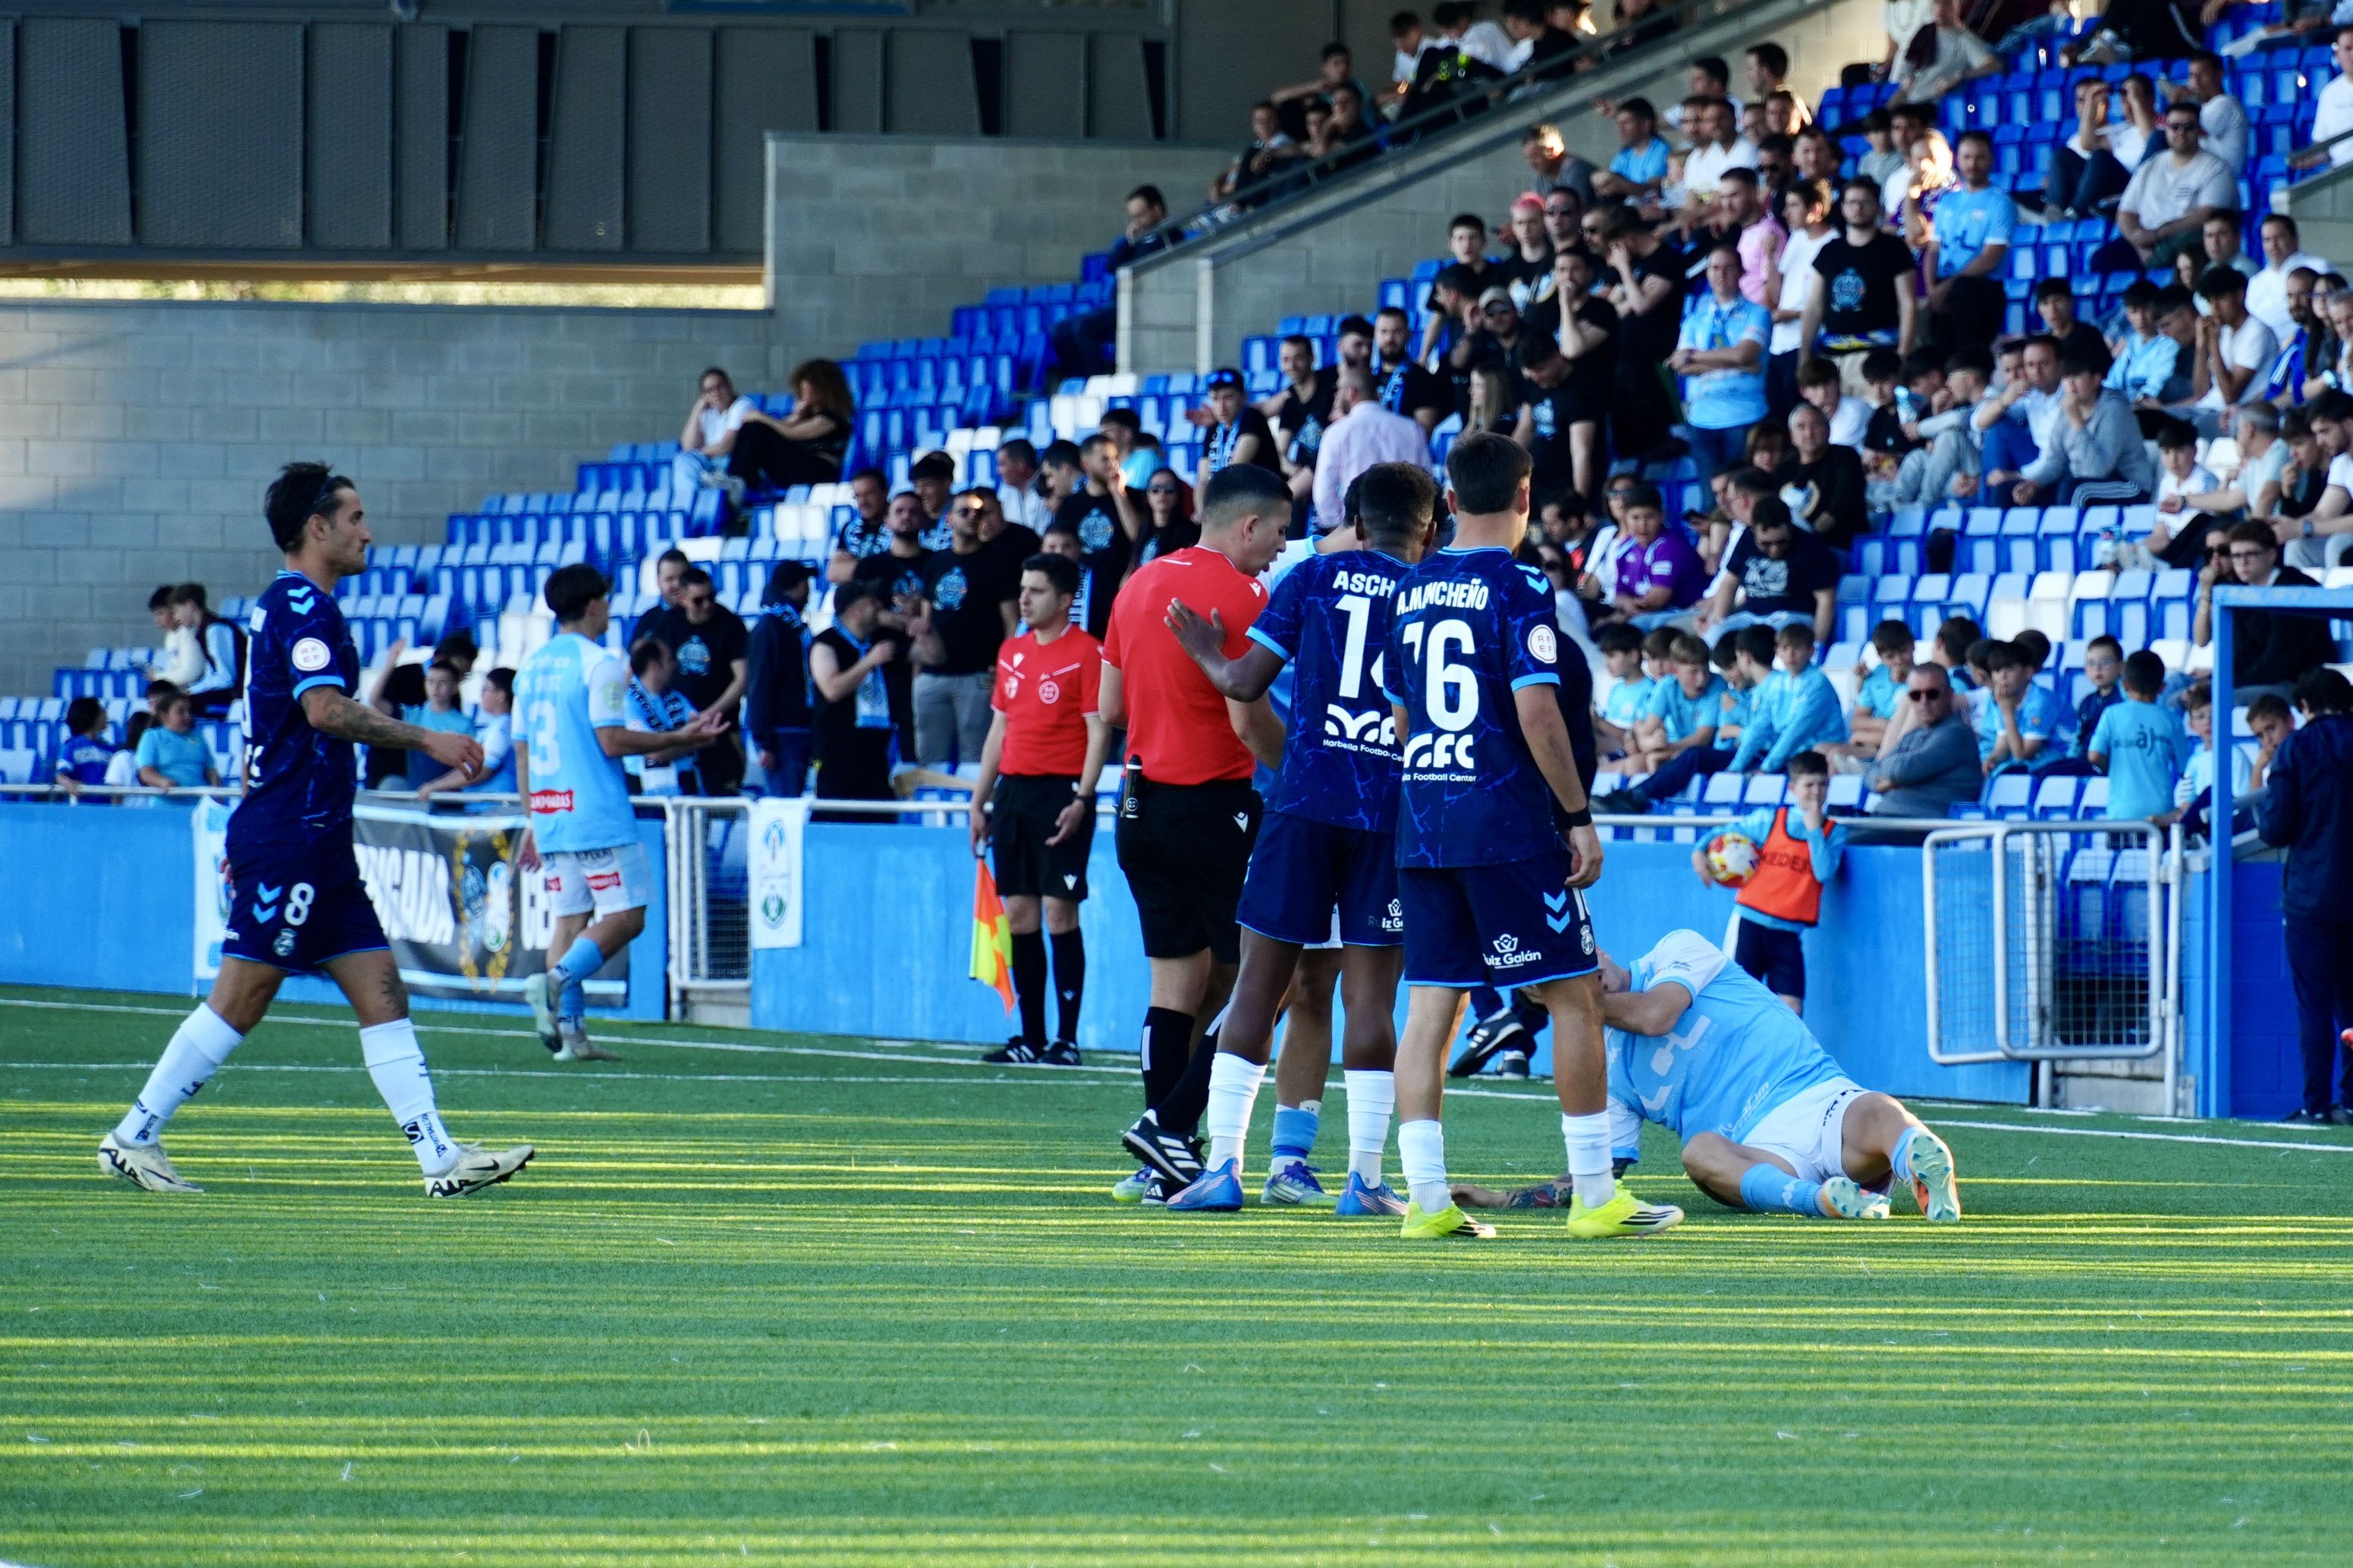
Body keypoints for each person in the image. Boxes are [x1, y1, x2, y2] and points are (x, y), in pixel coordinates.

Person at [98, 462, 529, 1200]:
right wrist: (427, 738)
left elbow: (270, 729)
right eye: (355, 517)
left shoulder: (292, 606)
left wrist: (251, 823)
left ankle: (440, 1159)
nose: (369, 531)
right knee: (244, 994)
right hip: (292, 834)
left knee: (382, 989)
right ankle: (134, 1135)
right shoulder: (302, 604)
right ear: (317, 528)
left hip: (311, 837)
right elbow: (324, 711)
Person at [1381, 430, 1682, 1243]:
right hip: (1506, 823)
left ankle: (1428, 1200)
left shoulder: (1409, 587)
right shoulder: (1518, 583)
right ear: (1524, 497)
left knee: (1432, 1005)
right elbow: (1539, 710)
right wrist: (1577, 816)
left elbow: (1403, 715)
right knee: (1575, 993)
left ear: (1449, 501)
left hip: (1424, 823)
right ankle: (1596, 1195)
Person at [1156, 463, 1443, 1216]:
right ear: (1430, 532)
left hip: (1304, 804)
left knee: (1259, 983)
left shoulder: (1312, 577)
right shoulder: (1432, 594)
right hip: (1388, 815)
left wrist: (1207, 652)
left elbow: (1244, 683)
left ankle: (1222, 1168)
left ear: (1356, 520)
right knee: (1372, 999)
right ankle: (1365, 1180)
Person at [1466, 928, 1960, 1220]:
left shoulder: (1676, 949)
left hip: (1815, 1096)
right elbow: (1597, 1174)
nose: (1582, 978)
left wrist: (1576, 1005)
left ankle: (1924, 1166)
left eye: (1580, 962)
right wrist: (1500, 1199)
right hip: (1758, 1153)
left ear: (1597, 947)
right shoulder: (1599, 1065)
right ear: (1544, 1000)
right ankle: (1824, 1201)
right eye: (1559, 982)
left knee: (1876, 1109)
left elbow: (1656, 1015)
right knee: (1698, 1154)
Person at [1101, 465, 1290, 1196]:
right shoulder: (1243, 594)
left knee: (1175, 983)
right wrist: (1300, 767)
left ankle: (1162, 1162)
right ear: (1249, 524)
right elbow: (1247, 717)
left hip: (1139, 805)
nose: (1280, 549)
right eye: (1278, 532)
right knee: (1265, 978)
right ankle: (1171, 1125)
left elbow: (1111, 707)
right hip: (1212, 807)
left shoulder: (1138, 582)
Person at [516, 564, 727, 1061]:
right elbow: (611, 740)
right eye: (607, 599)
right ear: (593, 604)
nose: (610, 608)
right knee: (629, 916)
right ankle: (554, 981)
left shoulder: (531, 668)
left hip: (550, 813)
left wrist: (533, 817)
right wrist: (679, 737)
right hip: (596, 813)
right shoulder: (601, 663)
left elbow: (523, 752)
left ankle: (572, 1038)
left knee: (570, 921)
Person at [966, 552, 1110, 1068]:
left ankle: (1065, 1041)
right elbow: (998, 731)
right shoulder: (1012, 651)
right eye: (1023, 588)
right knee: (1019, 915)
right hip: (1012, 795)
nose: (1024, 599)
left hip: (1060, 794)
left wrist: (1083, 798)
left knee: (1058, 911)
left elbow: (1099, 731)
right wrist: (978, 801)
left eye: (1037, 590)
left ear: (1066, 599)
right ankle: (1030, 1036)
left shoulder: (1089, 653)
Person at [2258, 668, 2353, 1123]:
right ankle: (2352, 1100)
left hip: (2312, 896)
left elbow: (2275, 828)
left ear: (2306, 707)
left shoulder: (2296, 748)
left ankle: (2317, 1105)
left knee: (2314, 1004)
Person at [907, 492, 1018, 770]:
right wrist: (918, 673)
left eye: (978, 512)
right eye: (964, 512)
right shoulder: (935, 562)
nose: (972, 517)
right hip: (933, 676)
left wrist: (1004, 669)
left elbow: (1012, 623)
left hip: (978, 676)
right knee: (930, 762)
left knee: (976, 761)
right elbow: (926, 621)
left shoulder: (998, 561)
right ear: (949, 519)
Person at [634, 567, 749, 795]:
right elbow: (645, 660)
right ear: (682, 598)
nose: (707, 605)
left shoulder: (730, 624)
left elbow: (742, 678)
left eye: (711, 597)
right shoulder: (668, 623)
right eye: (698, 601)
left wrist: (708, 714)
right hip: (679, 731)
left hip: (720, 730)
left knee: (723, 803)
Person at [1800, 178, 1918, 399]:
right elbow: (1814, 307)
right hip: (1832, 360)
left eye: (1865, 202)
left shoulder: (1894, 249)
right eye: (1852, 202)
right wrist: (1804, 355)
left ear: (1877, 207)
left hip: (1877, 358)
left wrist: (1902, 354)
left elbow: (1908, 304)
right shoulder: (1829, 251)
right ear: (1843, 207)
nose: (1858, 208)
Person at [2195, 521, 2336, 700]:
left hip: (2298, 686)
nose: (2242, 562)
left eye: (2250, 554)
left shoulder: (2294, 590)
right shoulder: (2238, 593)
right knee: (2178, 690)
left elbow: (2277, 664)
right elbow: (2239, 655)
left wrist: (2221, 686)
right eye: (2236, 556)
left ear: (2271, 555)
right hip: (2255, 681)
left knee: (2225, 701)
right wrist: (2214, 682)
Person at [2098, 99, 2238, 274]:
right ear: (2166, 129)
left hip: (2184, 237)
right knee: (2101, 259)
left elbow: (2207, 215)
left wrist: (2159, 234)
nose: (2181, 133)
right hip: (2145, 239)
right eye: (2174, 127)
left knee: (2170, 257)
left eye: (2188, 127)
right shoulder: (2150, 165)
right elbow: (2125, 213)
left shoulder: (2216, 168)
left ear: (2199, 130)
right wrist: (2138, 243)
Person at [1674, 244, 1773, 486]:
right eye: (1715, 268)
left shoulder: (1758, 313)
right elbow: (1681, 366)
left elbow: (1744, 354)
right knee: (1712, 500)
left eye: (1729, 268)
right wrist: (1738, 363)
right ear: (1707, 273)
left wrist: (1693, 355)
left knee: (1745, 492)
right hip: (1701, 419)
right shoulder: (1694, 319)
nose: (1721, 274)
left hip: (1745, 415)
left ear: (1741, 272)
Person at [809, 583, 901, 815]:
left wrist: (913, 625)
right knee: (838, 818)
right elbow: (832, 689)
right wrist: (869, 662)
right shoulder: (826, 643)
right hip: (837, 752)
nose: (879, 607)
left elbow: (934, 657)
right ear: (854, 610)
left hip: (875, 752)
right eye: (872, 603)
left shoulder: (879, 641)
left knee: (880, 819)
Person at [1923, 130, 2014, 354]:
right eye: (1967, 157)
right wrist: (1933, 289)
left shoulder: (2000, 203)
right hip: (1945, 286)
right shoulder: (1947, 201)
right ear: (1958, 159)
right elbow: (1933, 250)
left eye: (1979, 157)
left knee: (1969, 356)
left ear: (1991, 159)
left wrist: (1947, 287)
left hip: (1979, 289)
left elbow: (1990, 258)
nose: (1972, 164)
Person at [1701, 495, 1840, 640]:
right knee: (1713, 636)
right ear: (1753, 531)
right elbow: (1730, 582)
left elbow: (1826, 599)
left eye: (1782, 542)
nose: (1774, 549)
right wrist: (1718, 620)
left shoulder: (1811, 547)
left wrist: (1817, 644)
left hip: (1792, 618)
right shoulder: (1747, 539)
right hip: (1750, 617)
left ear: (1790, 528)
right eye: (1766, 544)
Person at [1313, 365, 1430, 536]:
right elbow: (1427, 483)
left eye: (1339, 390)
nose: (1336, 396)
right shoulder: (1412, 429)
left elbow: (1323, 493)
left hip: (1356, 530)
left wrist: (1340, 527)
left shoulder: (1336, 433)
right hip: (1404, 530)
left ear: (1351, 392)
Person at [1054, 434, 1147, 639]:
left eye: (1115, 458)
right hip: (1084, 597)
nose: (1112, 464)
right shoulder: (1070, 505)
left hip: (1122, 588)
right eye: (1105, 459)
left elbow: (1138, 537)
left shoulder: (1133, 496)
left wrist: (1119, 494)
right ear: (1085, 464)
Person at [722, 359, 854, 499]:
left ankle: (739, 482)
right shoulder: (808, 415)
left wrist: (760, 417)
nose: (803, 394)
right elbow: (783, 427)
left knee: (756, 429)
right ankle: (739, 481)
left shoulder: (831, 420)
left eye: (808, 390)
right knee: (752, 430)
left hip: (818, 470)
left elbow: (790, 433)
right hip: (800, 464)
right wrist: (796, 416)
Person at [364, 630, 478, 787]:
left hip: (435, 782)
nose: (436, 688)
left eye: (463, 676)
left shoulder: (460, 714)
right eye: (431, 682)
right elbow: (377, 704)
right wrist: (390, 664)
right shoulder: (403, 676)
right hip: (389, 767)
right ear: (440, 659)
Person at [1866, 663, 1981, 818]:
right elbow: (1871, 771)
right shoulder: (1913, 735)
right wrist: (1885, 781)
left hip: (1927, 824)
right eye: (1916, 695)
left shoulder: (1957, 734)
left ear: (1950, 694)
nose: (1924, 702)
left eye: (1932, 694)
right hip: (1889, 820)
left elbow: (1902, 770)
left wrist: (1891, 775)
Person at [2088, 649, 2190, 821]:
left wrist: (2110, 768)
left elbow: (2094, 756)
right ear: (2162, 687)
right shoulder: (2172, 720)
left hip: (2121, 811)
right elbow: (2185, 769)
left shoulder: (2111, 714)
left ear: (2125, 685)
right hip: (2160, 812)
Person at [744, 562, 815, 797]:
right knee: (785, 803)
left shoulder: (787, 624)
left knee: (792, 800)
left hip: (795, 729)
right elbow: (760, 684)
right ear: (801, 586)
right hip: (782, 733)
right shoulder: (772, 626)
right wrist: (765, 741)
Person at [619, 638, 703, 798]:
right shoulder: (628, 701)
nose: (674, 665)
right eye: (669, 660)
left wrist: (679, 743)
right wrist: (688, 739)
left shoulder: (677, 698)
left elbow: (706, 736)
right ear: (654, 666)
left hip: (685, 787)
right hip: (647, 792)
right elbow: (652, 751)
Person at [416, 668, 516, 799]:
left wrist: (436, 787)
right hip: (483, 807)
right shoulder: (496, 726)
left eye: (486, 689)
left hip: (495, 807)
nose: (482, 694)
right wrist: (434, 785)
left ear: (501, 696)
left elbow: (482, 770)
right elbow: (468, 767)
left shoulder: (503, 728)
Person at [2044, 77, 2133, 221]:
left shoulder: (2124, 130)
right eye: (2082, 100)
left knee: (2100, 156)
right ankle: (2056, 214)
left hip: (2116, 190)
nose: (2087, 105)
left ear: (2105, 102)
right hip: (2082, 194)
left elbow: (2090, 145)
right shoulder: (2073, 141)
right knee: (2060, 155)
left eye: (2092, 98)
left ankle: (2074, 213)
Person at [1975, 639, 2066, 775]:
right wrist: (1991, 760)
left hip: (2065, 762)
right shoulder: (2006, 699)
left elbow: (2022, 755)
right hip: (2039, 764)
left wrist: (2008, 714)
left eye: (2010, 669)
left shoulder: (2041, 701)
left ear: (2028, 673)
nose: (2003, 676)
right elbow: (2003, 747)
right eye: (1997, 670)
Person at [1888, 0, 2001, 105]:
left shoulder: (1964, 40)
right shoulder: (1922, 35)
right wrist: (1889, 111)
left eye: (1947, 4)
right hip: (1910, 105)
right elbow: (1906, 85)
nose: (1941, 9)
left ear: (1956, 7)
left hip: (1934, 106)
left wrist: (1960, 76)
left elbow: (1994, 65)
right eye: (1937, 3)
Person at [673, 366, 757, 499]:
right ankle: (690, 502)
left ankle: (692, 501)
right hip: (712, 466)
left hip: (732, 465)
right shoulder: (708, 412)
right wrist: (697, 409)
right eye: (710, 390)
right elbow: (687, 446)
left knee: (689, 461)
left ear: (729, 386)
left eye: (720, 387)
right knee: (682, 460)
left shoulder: (742, 405)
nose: (716, 393)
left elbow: (726, 446)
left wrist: (698, 453)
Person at [168, 584, 243, 717]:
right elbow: (211, 674)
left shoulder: (216, 630)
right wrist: (192, 690)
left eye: (177, 611)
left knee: (179, 705)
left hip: (238, 692)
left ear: (191, 605)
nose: (176, 618)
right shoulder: (203, 631)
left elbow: (226, 678)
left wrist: (192, 692)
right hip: (227, 690)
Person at [134, 690, 216, 793]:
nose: (187, 716)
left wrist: (216, 793)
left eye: (189, 711)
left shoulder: (199, 738)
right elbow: (146, 772)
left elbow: (211, 771)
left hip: (199, 801)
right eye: (180, 712)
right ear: (164, 715)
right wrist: (162, 782)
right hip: (166, 801)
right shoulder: (152, 737)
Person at [825, 470, 892, 585]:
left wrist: (852, 567)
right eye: (857, 496)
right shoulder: (849, 529)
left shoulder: (902, 524)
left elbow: (897, 569)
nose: (862, 502)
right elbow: (833, 573)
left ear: (885, 492)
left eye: (868, 494)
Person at [52, 696, 115, 800]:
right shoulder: (72, 747)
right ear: (90, 715)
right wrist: (68, 783)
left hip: (107, 807)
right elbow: (61, 774)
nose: (106, 715)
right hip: (83, 806)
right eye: (101, 711)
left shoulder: (109, 749)